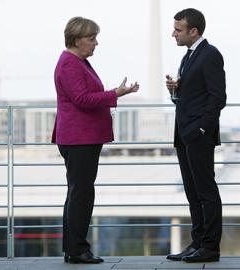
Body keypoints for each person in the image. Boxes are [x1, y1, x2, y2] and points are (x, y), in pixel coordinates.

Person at [51, 16, 139, 264]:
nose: (95, 43)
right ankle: (78, 250)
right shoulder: (70, 64)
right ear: (78, 40)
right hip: (79, 138)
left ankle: (74, 248)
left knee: (78, 192)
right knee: (81, 194)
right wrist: (115, 94)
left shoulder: (78, 62)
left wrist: (114, 93)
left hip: (81, 137)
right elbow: (82, 99)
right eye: (91, 39)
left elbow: (85, 96)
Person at [165, 8, 226, 263]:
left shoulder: (210, 54)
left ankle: (210, 247)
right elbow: (192, 96)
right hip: (184, 134)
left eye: (178, 30)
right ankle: (198, 242)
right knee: (192, 191)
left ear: (194, 31)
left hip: (198, 134)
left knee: (205, 191)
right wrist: (175, 91)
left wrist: (202, 128)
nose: (173, 34)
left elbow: (218, 97)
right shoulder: (188, 56)